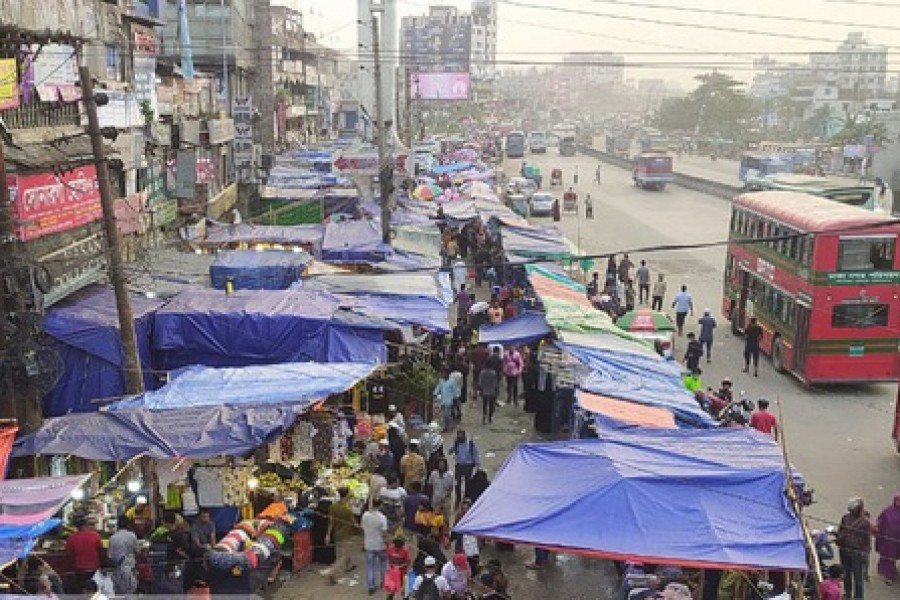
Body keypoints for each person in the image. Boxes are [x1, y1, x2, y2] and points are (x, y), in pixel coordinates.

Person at [837, 497, 872, 600]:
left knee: (858, 577)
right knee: (846, 574)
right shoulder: (845, 518)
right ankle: (848, 593)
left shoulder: (865, 522)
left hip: (857, 553)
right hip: (844, 551)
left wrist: (866, 552)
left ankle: (858, 597)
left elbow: (867, 539)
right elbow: (841, 531)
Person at [66, 515, 104, 593]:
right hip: (94, 569)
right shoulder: (95, 536)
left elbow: (69, 554)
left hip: (79, 570)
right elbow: (101, 551)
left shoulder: (71, 538)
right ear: (85, 525)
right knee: (95, 591)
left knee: (81, 591)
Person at [362, 499, 389, 595]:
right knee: (383, 564)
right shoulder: (382, 518)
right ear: (380, 505)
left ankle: (371, 586)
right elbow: (384, 533)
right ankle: (384, 582)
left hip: (369, 544)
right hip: (380, 544)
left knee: (370, 566)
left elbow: (363, 528)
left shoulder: (365, 515)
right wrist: (387, 543)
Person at [108, 516, 139, 595]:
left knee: (119, 592)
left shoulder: (113, 538)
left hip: (117, 569)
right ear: (128, 525)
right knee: (131, 590)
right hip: (130, 567)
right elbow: (137, 551)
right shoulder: (132, 535)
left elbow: (110, 555)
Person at [449, 430, 480, 507]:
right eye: (458, 435)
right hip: (459, 465)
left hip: (468, 466)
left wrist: (477, 463)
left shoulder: (470, 444)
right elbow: (450, 451)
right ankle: (458, 499)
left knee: (468, 483)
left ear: (464, 435)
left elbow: (475, 453)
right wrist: (454, 444)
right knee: (457, 483)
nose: (459, 437)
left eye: (461, 435)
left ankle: (466, 500)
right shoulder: (456, 443)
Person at [875, 493, 900, 584]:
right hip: (889, 541)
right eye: (897, 500)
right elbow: (880, 521)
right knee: (889, 558)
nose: (898, 502)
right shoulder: (888, 511)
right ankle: (890, 576)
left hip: (898, 541)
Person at [428, 458, 455, 525]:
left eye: (443, 465)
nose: (441, 466)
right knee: (435, 519)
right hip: (436, 500)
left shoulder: (450, 475)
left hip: (446, 501)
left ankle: (445, 534)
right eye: (440, 465)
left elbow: (451, 488)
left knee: (446, 519)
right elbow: (430, 486)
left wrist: (445, 496)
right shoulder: (433, 474)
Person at [434, 368, 457, 433]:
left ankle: (447, 427)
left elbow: (454, 391)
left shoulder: (452, 381)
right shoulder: (441, 381)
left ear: (447, 374)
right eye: (442, 373)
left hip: (449, 400)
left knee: (447, 414)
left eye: (444, 373)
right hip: (443, 400)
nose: (442, 374)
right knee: (444, 415)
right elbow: (438, 388)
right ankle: (447, 426)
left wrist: (455, 398)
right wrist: (435, 393)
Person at [478, 358, 500, 424]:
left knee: (485, 404)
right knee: (491, 404)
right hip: (492, 390)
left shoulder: (482, 372)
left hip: (484, 390)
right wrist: (496, 389)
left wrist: (480, 389)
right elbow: (495, 382)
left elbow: (480, 381)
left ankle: (484, 415)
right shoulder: (493, 372)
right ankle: (490, 417)